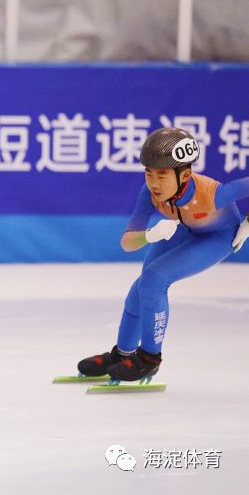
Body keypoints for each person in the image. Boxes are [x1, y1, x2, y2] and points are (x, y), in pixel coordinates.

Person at [78, 127, 249, 382]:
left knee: (154, 281)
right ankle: (122, 353)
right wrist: (149, 235)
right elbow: (127, 243)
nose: (154, 183)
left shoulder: (213, 194)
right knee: (141, 287)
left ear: (185, 175)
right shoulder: (149, 193)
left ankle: (149, 358)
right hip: (185, 228)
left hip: (219, 237)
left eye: (162, 174)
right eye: (148, 173)